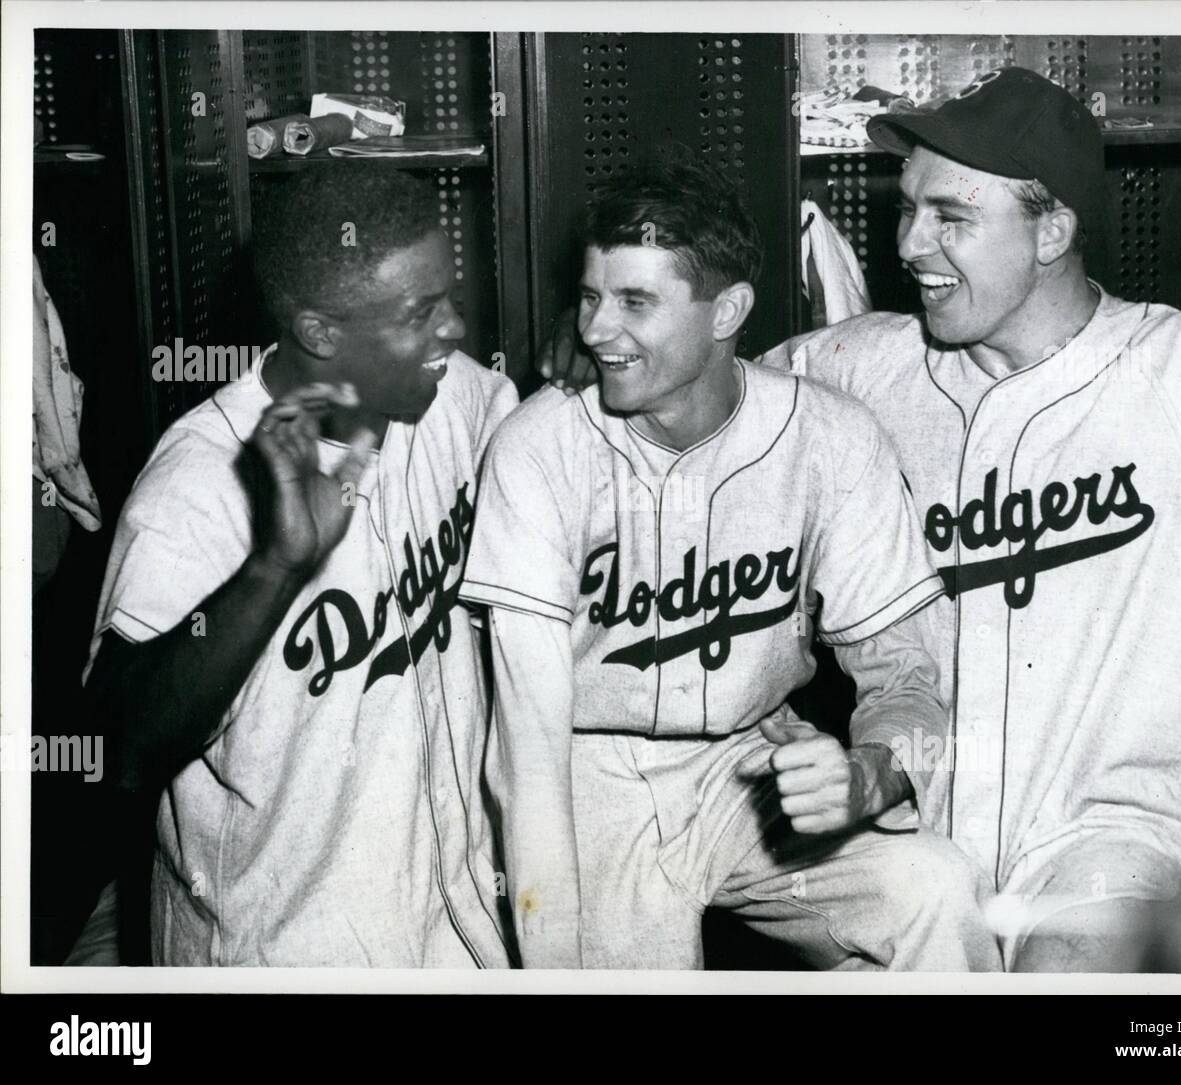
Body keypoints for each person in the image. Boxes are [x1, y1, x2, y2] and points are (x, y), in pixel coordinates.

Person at [756, 67, 1181, 971]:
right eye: (907, 208)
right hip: (912, 848)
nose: (910, 243)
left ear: (1052, 230)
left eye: (950, 217)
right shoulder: (862, 368)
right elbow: (706, 388)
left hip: (1108, 851)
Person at [463, 159, 999, 970]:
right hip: (586, 778)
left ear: (729, 313)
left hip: (746, 763)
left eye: (636, 301)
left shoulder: (831, 435)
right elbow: (527, 756)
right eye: (589, 297)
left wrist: (871, 775)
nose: (596, 330)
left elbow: (905, 673)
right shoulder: (537, 448)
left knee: (933, 886)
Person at [83, 165, 516, 967]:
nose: (455, 327)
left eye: (449, 296)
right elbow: (115, 750)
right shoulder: (197, 484)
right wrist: (276, 566)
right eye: (420, 313)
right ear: (319, 332)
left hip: (451, 925)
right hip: (281, 948)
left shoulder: (464, 398)